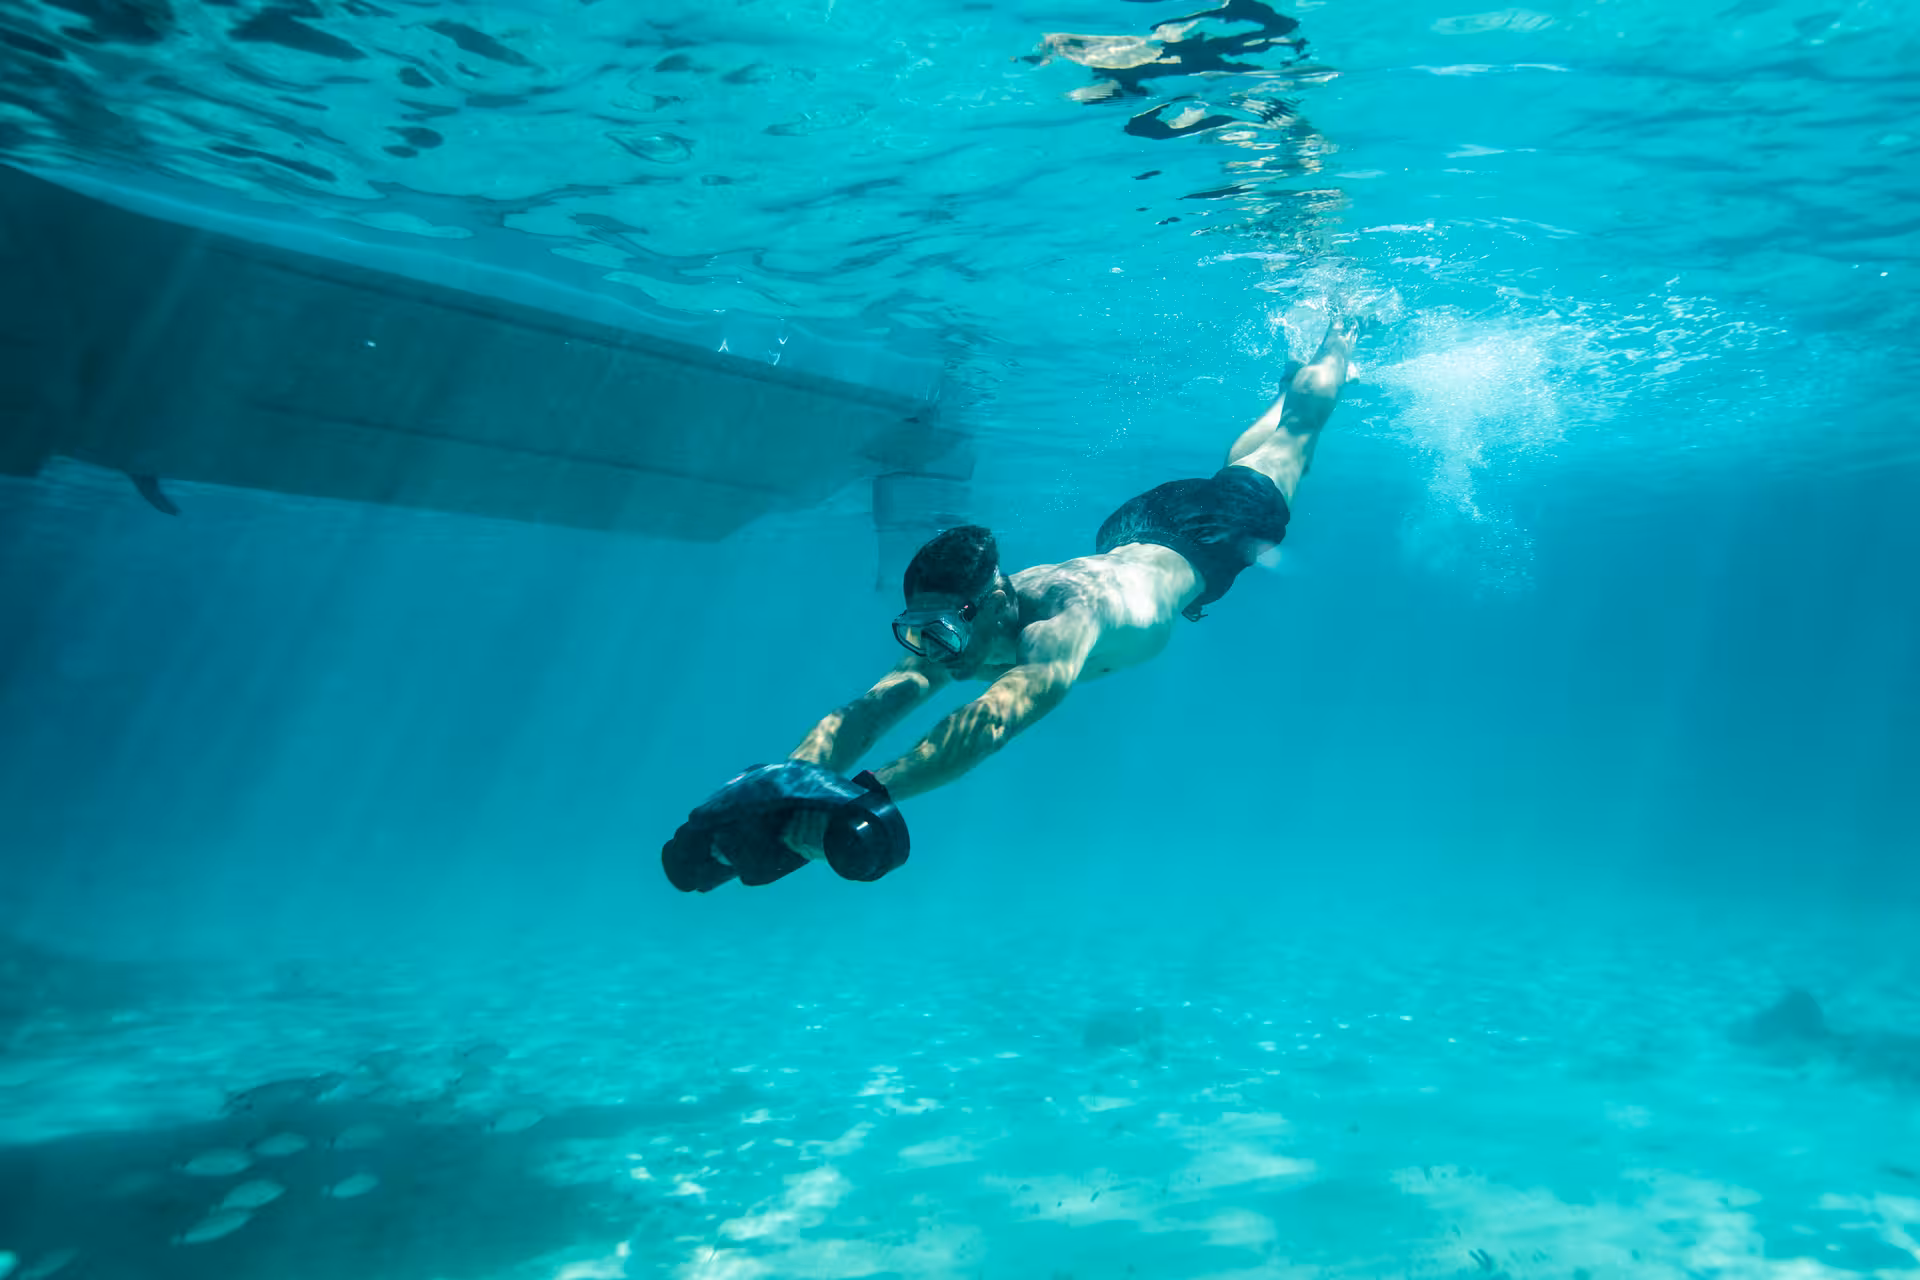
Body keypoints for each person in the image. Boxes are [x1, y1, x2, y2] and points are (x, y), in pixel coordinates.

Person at [775, 318, 1359, 862]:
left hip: (1216, 535)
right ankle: (1291, 381)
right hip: (1131, 530)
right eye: (918, 633)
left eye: (945, 632)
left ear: (994, 601)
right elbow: (869, 710)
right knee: (1250, 462)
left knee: (1296, 441)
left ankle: (1341, 329)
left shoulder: (1067, 621)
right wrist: (786, 786)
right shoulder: (958, 622)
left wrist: (865, 797)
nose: (935, 648)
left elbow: (992, 722)